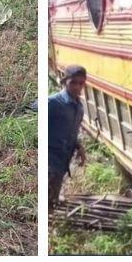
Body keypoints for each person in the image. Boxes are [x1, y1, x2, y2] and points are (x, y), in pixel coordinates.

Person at [48, 65, 87, 210]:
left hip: (63, 160)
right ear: (65, 82)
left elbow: (71, 132)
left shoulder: (78, 107)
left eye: (81, 83)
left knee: (53, 195)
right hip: (50, 160)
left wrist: (79, 147)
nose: (77, 87)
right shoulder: (53, 103)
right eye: (73, 83)